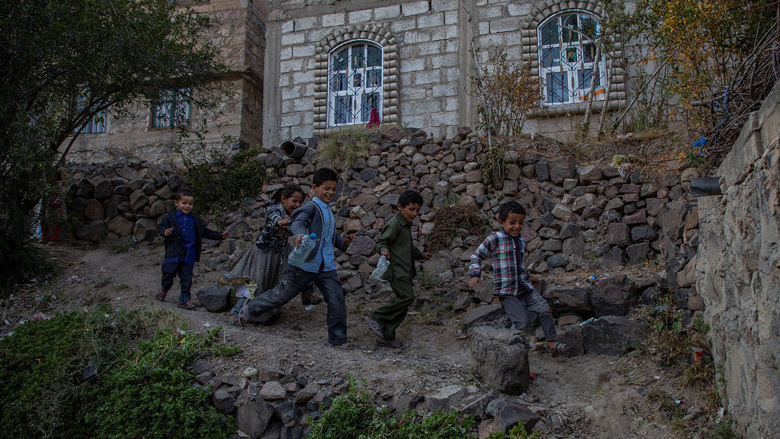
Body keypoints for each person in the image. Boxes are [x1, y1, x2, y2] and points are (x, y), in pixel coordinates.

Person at [238, 168, 356, 350]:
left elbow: (328, 236)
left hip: (325, 267)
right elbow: (297, 223)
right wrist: (300, 234)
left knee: (336, 299)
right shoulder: (309, 208)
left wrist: (343, 242)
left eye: (333, 189)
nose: (330, 193)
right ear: (314, 188)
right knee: (280, 296)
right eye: (326, 188)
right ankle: (249, 308)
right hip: (305, 264)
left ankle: (338, 340)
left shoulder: (328, 211)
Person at [468, 201, 569, 357]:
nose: (517, 226)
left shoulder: (521, 241)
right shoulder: (496, 238)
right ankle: (504, 346)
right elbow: (476, 256)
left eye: (521, 223)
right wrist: (475, 275)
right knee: (521, 322)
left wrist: (528, 277)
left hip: (524, 286)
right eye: (512, 223)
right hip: (507, 290)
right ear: (502, 222)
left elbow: (518, 265)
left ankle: (551, 342)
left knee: (544, 309)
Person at [219, 184, 321, 326]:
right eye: (294, 201)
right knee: (255, 283)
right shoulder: (275, 209)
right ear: (283, 199)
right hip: (263, 252)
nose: (297, 205)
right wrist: (281, 222)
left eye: (299, 202)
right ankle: (235, 313)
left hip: (279, 253)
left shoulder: (296, 215)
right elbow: (274, 217)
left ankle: (306, 295)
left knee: (294, 272)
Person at [364, 189, 432, 350]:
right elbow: (381, 242)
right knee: (407, 297)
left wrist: (422, 255)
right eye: (411, 209)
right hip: (396, 270)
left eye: (417, 210)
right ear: (400, 207)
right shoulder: (395, 223)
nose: (415, 213)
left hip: (405, 270)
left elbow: (408, 248)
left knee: (403, 306)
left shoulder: (405, 224)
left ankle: (385, 337)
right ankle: (377, 316)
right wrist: (383, 250)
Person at [155, 189, 229, 310]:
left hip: (189, 253)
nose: (187, 206)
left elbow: (205, 232)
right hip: (173, 252)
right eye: (184, 203)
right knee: (168, 273)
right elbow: (162, 227)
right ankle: (164, 289)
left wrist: (219, 236)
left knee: (187, 277)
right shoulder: (170, 217)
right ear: (176, 203)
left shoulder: (195, 219)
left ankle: (184, 300)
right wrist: (164, 232)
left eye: (190, 204)